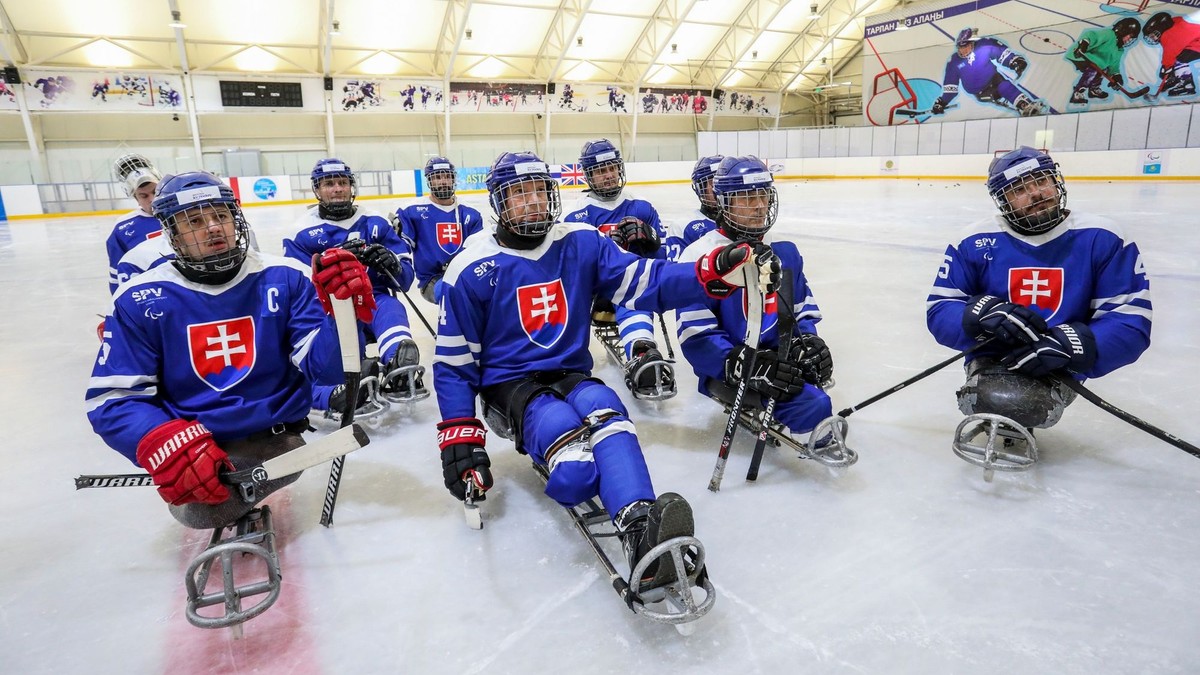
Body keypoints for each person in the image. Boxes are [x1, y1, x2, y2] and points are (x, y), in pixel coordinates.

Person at [433, 150, 769, 593]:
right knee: (564, 441)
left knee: (606, 406)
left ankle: (641, 531)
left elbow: (645, 281)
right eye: (518, 194)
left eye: (538, 190)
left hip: (571, 374)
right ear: (498, 203)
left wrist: (706, 272)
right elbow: (454, 364)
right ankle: (575, 465)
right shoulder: (470, 268)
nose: (531, 202)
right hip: (508, 387)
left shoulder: (581, 241)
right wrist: (459, 434)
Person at [86, 171, 376, 529]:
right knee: (199, 506)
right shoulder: (138, 298)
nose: (213, 228)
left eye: (221, 215)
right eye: (194, 221)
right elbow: (112, 398)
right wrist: (162, 442)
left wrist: (341, 317)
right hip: (195, 439)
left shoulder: (285, 276)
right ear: (171, 232)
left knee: (205, 509)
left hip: (277, 438)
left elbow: (326, 372)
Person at [925, 147, 1152, 470]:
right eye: (1019, 189)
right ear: (1002, 200)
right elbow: (940, 308)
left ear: (1055, 180)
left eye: (1041, 181)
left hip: (1062, 361)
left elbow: (1131, 319)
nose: (1035, 194)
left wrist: (1076, 344)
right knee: (996, 397)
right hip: (996, 356)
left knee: (1026, 403)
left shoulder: (1104, 237)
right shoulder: (973, 241)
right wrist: (977, 314)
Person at [675, 156, 849, 462]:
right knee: (814, 404)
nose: (759, 205)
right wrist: (747, 364)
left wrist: (806, 342)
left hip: (779, 361)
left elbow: (800, 311)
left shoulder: (785, 250)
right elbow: (696, 338)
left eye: (763, 195)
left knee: (812, 390)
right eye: (747, 197)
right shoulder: (699, 255)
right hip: (730, 366)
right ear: (724, 200)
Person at [284, 158, 427, 408]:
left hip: (373, 299)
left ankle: (399, 364)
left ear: (352, 187)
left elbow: (404, 278)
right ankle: (355, 369)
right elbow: (297, 289)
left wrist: (390, 262)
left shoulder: (375, 221)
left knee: (392, 309)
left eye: (342, 182)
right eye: (329, 183)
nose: (337, 188)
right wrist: (329, 265)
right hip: (329, 309)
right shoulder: (300, 231)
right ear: (317, 190)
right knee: (341, 331)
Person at [563, 139, 675, 400]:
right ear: (589, 175)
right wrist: (601, 252)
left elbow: (663, 261)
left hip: (634, 287)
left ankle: (642, 351)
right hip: (595, 293)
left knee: (636, 284)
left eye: (612, 168)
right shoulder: (574, 215)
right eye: (601, 171)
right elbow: (569, 270)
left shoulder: (642, 206)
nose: (609, 175)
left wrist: (652, 240)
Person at [393, 156, 485, 304]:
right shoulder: (411, 211)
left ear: (453, 179)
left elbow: (480, 251)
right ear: (429, 180)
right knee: (455, 293)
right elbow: (400, 247)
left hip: (466, 274)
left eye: (447, 176)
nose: (443, 181)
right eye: (437, 177)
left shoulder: (471, 213)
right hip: (433, 280)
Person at [931, 28, 1045, 117]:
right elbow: (950, 87)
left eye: (966, 46)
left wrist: (1014, 61)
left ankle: (1026, 106)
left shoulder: (984, 45)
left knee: (1005, 86)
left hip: (994, 78)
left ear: (972, 43)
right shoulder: (954, 62)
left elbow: (1001, 53)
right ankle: (1024, 105)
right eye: (960, 47)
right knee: (1002, 88)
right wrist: (942, 102)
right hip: (980, 91)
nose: (963, 50)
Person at [105, 154, 162, 294]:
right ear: (135, 197)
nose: (152, 199)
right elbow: (118, 279)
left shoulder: (183, 213)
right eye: (144, 195)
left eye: (155, 192)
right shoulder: (122, 229)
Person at [1066, 17, 1141, 105]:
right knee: (1094, 69)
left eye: (1132, 38)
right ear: (1123, 30)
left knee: (1103, 70)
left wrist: (1116, 76)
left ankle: (1094, 90)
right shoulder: (1109, 34)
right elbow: (1092, 35)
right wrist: (1084, 43)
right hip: (1081, 55)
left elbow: (1114, 65)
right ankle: (1077, 93)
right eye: (1129, 35)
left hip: (1095, 64)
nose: (1129, 39)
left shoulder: (1120, 50)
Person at [663, 155, 723, 260]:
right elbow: (678, 273)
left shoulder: (745, 223)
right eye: (713, 183)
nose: (720, 190)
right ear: (701, 189)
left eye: (723, 183)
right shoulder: (683, 227)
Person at [1142, 12, 1200, 98]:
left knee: (1181, 57)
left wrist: (1167, 67)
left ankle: (1186, 85)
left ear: (1160, 28)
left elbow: (1170, 53)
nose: (1153, 38)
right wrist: (1168, 68)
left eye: (1153, 35)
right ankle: (1179, 79)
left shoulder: (1169, 34)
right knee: (1181, 56)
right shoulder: (1175, 24)